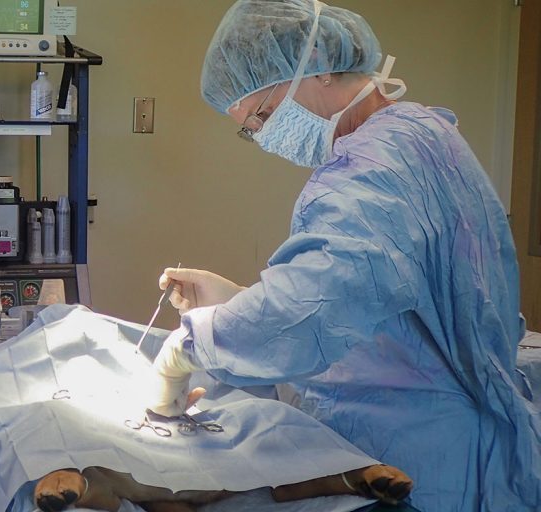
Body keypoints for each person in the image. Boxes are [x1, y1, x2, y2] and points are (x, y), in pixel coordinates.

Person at [148, 1, 541, 510]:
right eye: (253, 129)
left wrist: (188, 346)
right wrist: (238, 300)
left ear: (320, 62)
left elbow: (304, 306)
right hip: (450, 420)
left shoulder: (370, 172)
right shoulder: (423, 135)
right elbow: (376, 295)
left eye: (263, 115)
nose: (266, 135)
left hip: (422, 458)